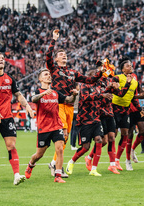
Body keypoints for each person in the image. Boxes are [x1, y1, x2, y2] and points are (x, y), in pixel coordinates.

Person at [46, 30, 103, 177]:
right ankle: (57, 166)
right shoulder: (54, 69)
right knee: (63, 135)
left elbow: (89, 80)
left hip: (70, 107)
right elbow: (47, 56)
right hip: (58, 104)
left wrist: (100, 71)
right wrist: (53, 40)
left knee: (65, 137)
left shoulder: (73, 72)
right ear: (56, 59)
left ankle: (53, 163)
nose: (64, 55)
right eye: (60, 54)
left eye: (65, 54)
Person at [24, 69, 77, 183]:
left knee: (59, 149)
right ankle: (30, 165)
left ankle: (57, 176)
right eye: (45, 75)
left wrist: (74, 95)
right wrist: (43, 93)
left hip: (57, 125)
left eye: (49, 74)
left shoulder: (55, 93)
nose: (48, 76)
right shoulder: (37, 91)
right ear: (40, 79)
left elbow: (68, 100)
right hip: (44, 127)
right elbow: (33, 99)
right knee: (39, 154)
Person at [0, 52, 33, 186]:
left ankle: (16, 175)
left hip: (7, 118)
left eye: (2, 59)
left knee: (11, 145)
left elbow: (18, 95)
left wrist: (27, 106)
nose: (1, 60)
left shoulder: (9, 79)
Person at [65, 67, 112, 177]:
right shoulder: (84, 86)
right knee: (86, 147)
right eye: (95, 74)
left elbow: (103, 99)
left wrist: (109, 92)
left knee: (99, 140)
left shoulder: (99, 87)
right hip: (85, 120)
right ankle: (71, 162)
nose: (98, 76)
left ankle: (94, 169)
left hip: (96, 118)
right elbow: (86, 98)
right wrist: (102, 95)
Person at [85, 66, 132, 174]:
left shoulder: (108, 82)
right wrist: (107, 89)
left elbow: (121, 94)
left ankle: (112, 165)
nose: (107, 73)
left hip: (110, 113)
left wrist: (127, 83)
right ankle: (88, 157)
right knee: (104, 141)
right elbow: (97, 96)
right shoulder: (94, 85)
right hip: (100, 114)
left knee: (112, 138)